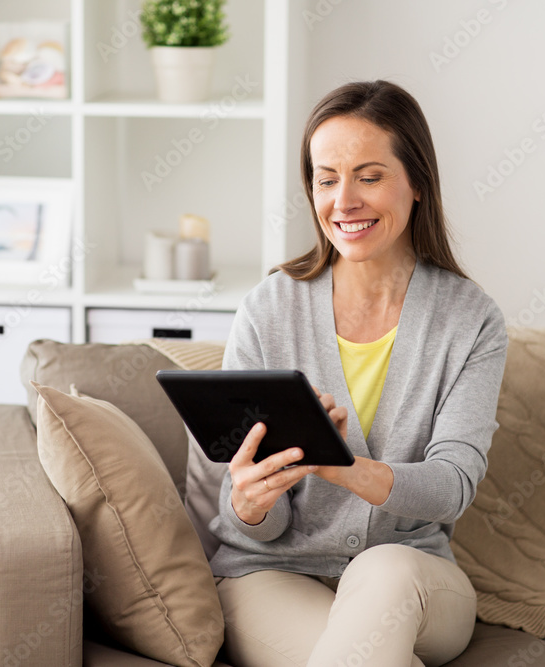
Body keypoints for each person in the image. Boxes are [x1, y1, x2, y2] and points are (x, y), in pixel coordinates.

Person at [202, 80, 509, 667]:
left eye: (369, 177)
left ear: (417, 183)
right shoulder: (268, 311)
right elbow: (252, 518)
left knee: (383, 566)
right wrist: (249, 503)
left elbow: (452, 488)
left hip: (412, 576)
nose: (343, 201)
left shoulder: (470, 321)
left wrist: (344, 467)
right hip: (272, 575)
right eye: (326, 178)